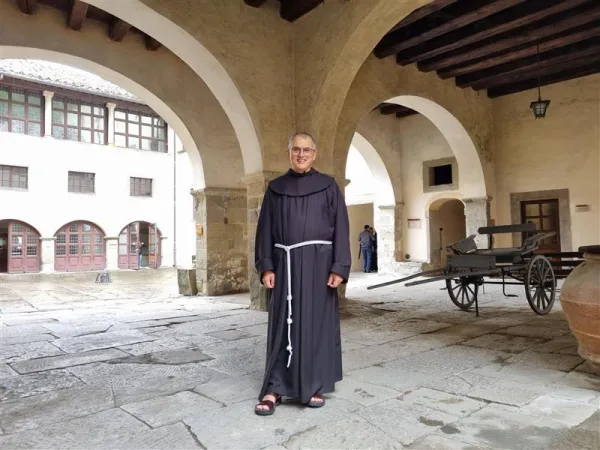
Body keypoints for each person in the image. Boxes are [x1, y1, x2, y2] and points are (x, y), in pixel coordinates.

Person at [254, 131, 351, 416]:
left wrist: (339, 266)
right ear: (289, 152)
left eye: (306, 150)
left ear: (314, 153)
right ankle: (274, 387)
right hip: (284, 265)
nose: (301, 154)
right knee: (282, 324)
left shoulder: (329, 187)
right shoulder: (275, 188)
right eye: (296, 149)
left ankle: (312, 385)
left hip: (320, 266)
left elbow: (342, 228)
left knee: (315, 324)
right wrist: (266, 265)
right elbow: (265, 231)